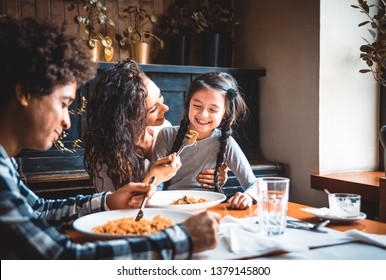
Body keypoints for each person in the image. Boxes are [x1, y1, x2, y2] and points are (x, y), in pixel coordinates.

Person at [0, 16, 220, 259]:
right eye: (63, 104)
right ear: (25, 93)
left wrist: (108, 202)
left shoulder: (5, 163)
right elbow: (62, 259)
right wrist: (181, 240)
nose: (67, 121)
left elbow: (39, 211)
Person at [83, 59, 227, 206]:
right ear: (127, 118)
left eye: (160, 96)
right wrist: (154, 177)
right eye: (153, 109)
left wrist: (214, 175)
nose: (165, 108)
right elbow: (115, 208)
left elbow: (184, 176)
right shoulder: (105, 157)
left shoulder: (164, 129)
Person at [152, 72, 257, 210]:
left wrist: (248, 196)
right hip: (170, 208)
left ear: (225, 113)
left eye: (213, 109)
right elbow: (155, 185)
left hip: (210, 209)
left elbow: (253, 184)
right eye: (197, 105)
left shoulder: (226, 143)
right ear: (188, 103)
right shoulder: (167, 135)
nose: (203, 114)